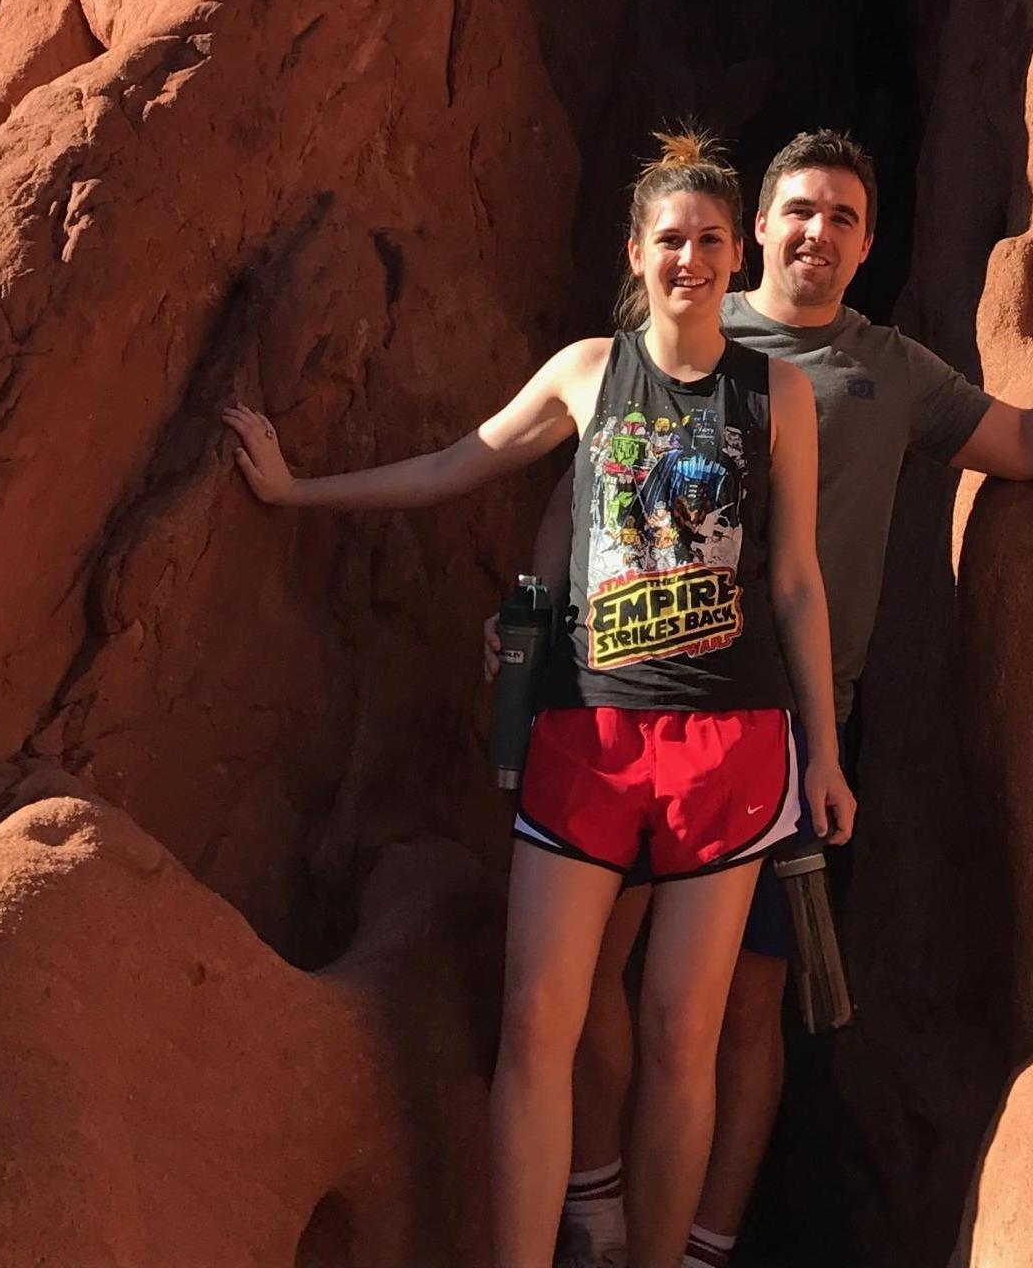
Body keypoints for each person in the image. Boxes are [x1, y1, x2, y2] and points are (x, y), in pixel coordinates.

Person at [534, 127, 1033, 1268]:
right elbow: (588, 480)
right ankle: (595, 1212)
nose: (817, 234)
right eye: (798, 211)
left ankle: (700, 1246)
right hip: (634, 704)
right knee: (596, 975)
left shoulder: (889, 370)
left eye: (842, 218)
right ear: (755, 230)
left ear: (869, 242)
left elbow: (1026, 440)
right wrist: (534, 629)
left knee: (745, 1005)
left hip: (790, 726)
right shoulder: (683, 333)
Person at [224, 129, 853, 1268]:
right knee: (536, 1028)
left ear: (735, 252)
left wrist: (825, 752)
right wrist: (296, 490)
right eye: (673, 238)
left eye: (713, 239)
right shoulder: (587, 371)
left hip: (730, 742)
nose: (694, 259)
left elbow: (798, 581)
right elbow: (455, 463)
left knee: (680, 1036)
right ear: (637, 249)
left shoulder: (779, 395)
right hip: (589, 738)